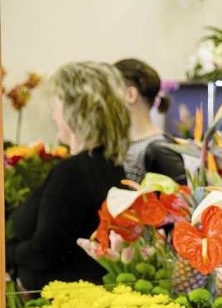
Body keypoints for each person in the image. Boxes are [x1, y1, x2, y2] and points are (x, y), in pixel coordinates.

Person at [6, 61, 130, 292]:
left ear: (75, 112)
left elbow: (45, 251)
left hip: (64, 307)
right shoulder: (111, 165)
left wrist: (7, 251)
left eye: (57, 107)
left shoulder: (73, 172)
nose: (54, 117)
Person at [114, 58, 186, 184]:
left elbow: (177, 200)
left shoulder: (159, 149)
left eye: (110, 92)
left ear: (130, 95)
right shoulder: (120, 144)